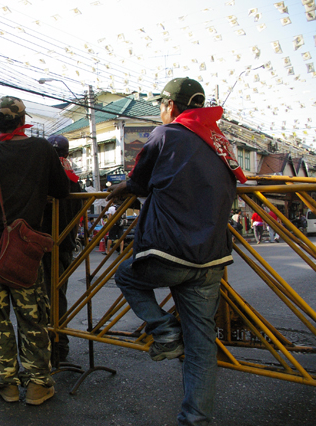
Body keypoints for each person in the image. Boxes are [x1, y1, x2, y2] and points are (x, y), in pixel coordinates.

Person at [108, 77, 244, 426]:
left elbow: (138, 182)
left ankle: (164, 330)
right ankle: (196, 420)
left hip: (168, 251)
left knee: (126, 276)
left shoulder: (165, 134)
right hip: (213, 257)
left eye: (161, 104)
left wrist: (120, 188)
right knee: (201, 344)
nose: (159, 110)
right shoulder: (220, 142)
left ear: (172, 106)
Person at [0, 96, 69, 406]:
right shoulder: (42, 150)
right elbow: (62, 191)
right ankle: (38, 384)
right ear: (24, 121)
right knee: (31, 314)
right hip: (23, 248)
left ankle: (7, 383)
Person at [41, 134, 82, 363]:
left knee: (49, 298)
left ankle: (55, 348)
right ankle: (58, 346)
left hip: (48, 245)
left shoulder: (47, 179)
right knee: (58, 296)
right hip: (65, 245)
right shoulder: (74, 180)